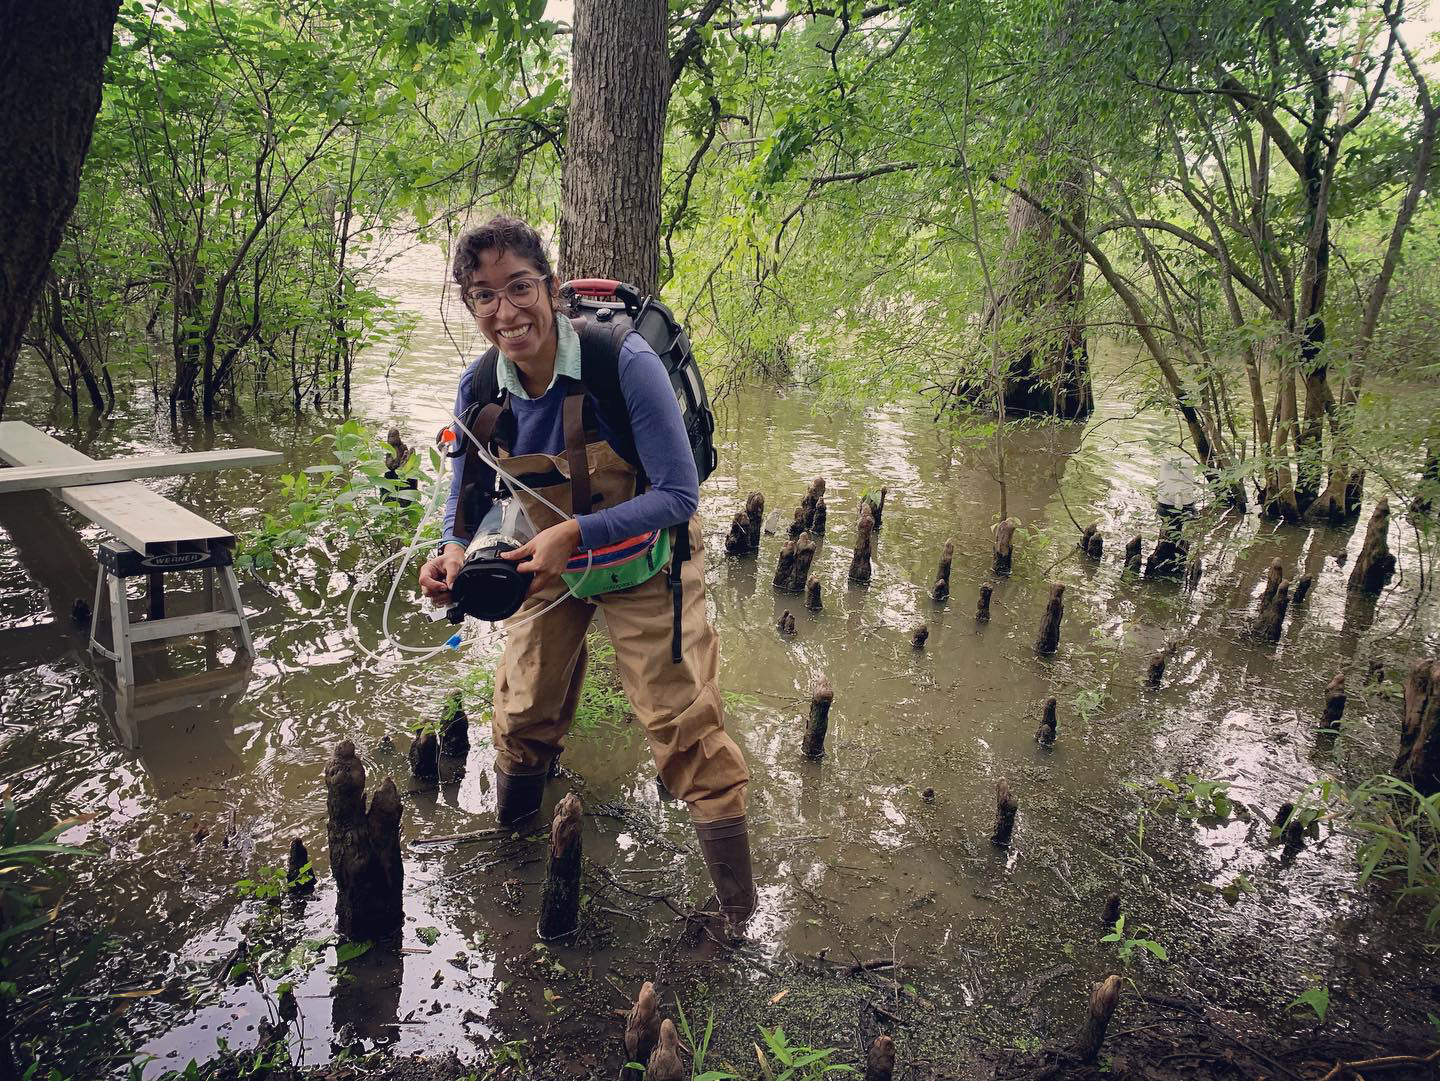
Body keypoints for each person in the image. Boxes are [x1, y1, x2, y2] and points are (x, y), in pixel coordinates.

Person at [417, 215, 755, 931]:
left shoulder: (621, 362)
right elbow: (467, 502)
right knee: (523, 707)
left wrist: (579, 533)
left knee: (681, 720)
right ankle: (515, 857)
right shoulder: (479, 386)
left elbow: (680, 495)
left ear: (550, 285)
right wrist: (451, 551)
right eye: (484, 296)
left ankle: (736, 914)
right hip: (548, 557)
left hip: (646, 551)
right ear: (470, 306)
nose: (506, 312)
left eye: (519, 287)